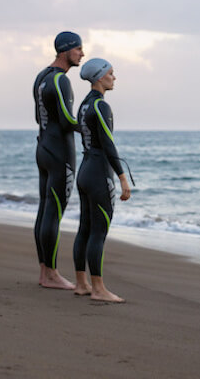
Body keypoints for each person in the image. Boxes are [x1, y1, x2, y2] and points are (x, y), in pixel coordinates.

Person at [73, 58, 132, 303]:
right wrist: (122, 178)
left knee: (85, 229)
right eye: (110, 73)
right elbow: (108, 144)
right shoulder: (101, 107)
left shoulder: (84, 105)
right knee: (99, 232)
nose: (114, 77)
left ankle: (81, 284)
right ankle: (98, 289)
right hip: (98, 173)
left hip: (84, 170)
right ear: (99, 78)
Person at [32, 31, 84, 289]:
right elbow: (67, 120)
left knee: (44, 210)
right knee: (54, 212)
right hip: (61, 153)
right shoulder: (61, 81)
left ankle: (44, 272)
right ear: (65, 51)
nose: (82, 54)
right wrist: (89, 126)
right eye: (78, 49)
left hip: (43, 147)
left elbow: (38, 117)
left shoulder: (41, 77)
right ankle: (51, 275)